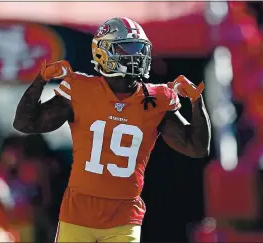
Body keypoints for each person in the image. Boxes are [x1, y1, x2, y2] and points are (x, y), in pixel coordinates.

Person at [13, 17, 211, 242]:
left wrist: (197, 102)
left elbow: (197, 148)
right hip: (78, 213)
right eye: (128, 48)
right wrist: (40, 81)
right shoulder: (80, 89)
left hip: (124, 216)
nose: (137, 56)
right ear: (103, 52)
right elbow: (25, 123)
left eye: (140, 49)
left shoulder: (157, 98)